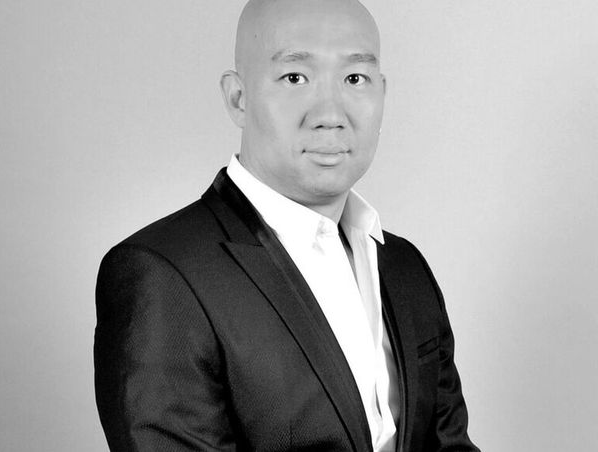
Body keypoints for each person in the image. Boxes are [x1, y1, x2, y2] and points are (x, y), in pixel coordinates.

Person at [94, 0, 480, 451]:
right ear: (238, 98)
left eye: (355, 78)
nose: (330, 114)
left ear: (382, 92)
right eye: (295, 77)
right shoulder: (162, 274)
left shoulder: (405, 266)